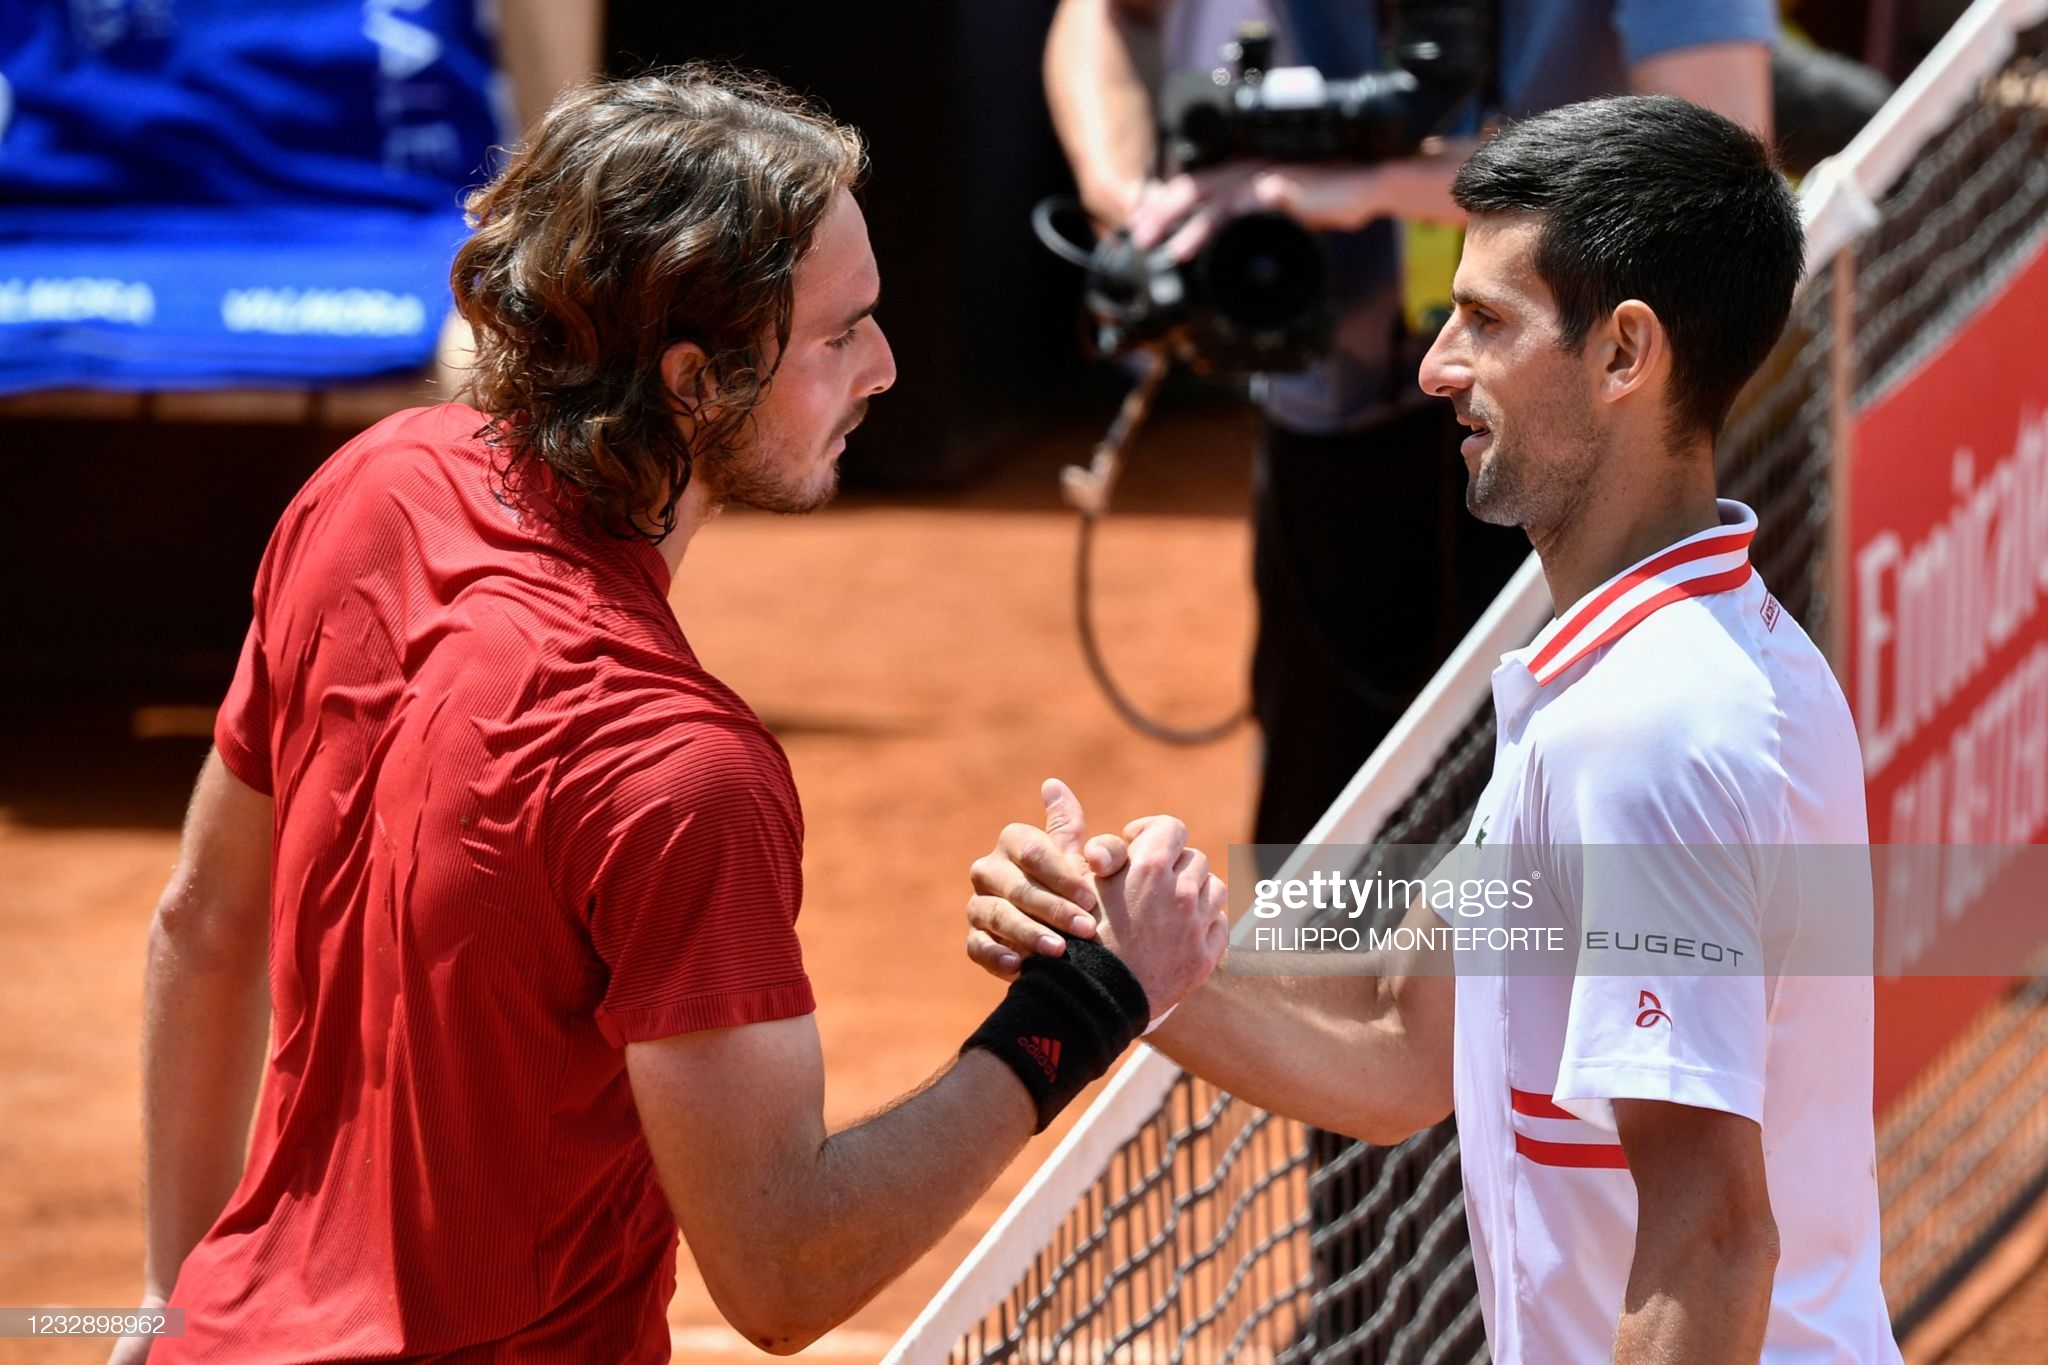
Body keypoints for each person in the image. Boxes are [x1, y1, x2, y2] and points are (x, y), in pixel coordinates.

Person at [118, 69, 1230, 1363]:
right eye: (837, 335)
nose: (883, 366)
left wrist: (172, 1292)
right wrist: (1087, 1001)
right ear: (696, 380)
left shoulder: (367, 488)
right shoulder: (680, 771)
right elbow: (779, 1268)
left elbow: (204, 919)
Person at [966, 96, 1904, 1361]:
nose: (1434, 366)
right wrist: (1122, 965)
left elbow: (1711, 1233)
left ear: (1625, 355)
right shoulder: (1640, 673)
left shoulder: (1651, 729)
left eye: (1486, 321)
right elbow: (1409, 1047)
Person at [1046, 0, 1778, 845]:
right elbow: (1100, 16)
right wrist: (1131, 201)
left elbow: (1721, 176)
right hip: (1323, 407)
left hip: (1577, 441)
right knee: (1320, 831)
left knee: (1561, 824)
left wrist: (1371, 189)